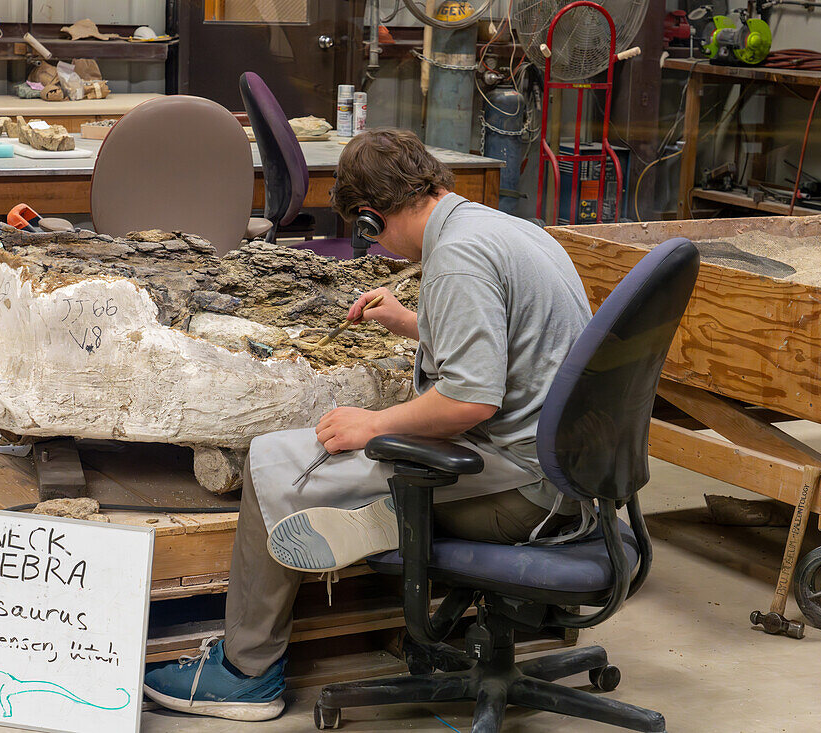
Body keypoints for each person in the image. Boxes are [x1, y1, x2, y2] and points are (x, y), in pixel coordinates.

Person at [143, 129, 593, 721]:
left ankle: (247, 671)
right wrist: (413, 323)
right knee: (318, 461)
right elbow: (512, 347)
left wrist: (374, 426)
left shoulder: (456, 261)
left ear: (370, 218)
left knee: (274, 464)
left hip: (524, 492)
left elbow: (470, 401)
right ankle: (361, 533)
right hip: (574, 477)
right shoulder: (503, 228)